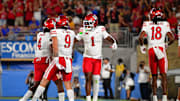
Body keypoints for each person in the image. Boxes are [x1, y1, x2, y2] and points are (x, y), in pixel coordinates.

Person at [19, 18, 65, 101]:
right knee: (58, 82)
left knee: (36, 84)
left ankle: (23, 99)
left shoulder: (39, 34)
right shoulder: (51, 35)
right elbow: (53, 48)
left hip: (37, 60)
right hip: (45, 61)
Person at [32, 15, 75, 101]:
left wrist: (55, 57)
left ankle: (34, 99)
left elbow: (55, 45)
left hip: (58, 58)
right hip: (68, 59)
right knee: (67, 84)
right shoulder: (72, 33)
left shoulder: (54, 31)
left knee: (44, 80)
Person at [76, 14, 117, 101]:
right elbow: (76, 38)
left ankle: (95, 98)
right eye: (86, 23)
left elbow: (108, 37)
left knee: (96, 79)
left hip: (98, 58)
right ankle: (88, 99)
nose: (87, 25)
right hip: (88, 57)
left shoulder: (101, 29)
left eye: (89, 23)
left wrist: (114, 42)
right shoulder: (82, 30)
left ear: (95, 23)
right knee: (88, 78)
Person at [139, 8, 175, 101]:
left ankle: (154, 97)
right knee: (163, 75)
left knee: (154, 76)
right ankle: (164, 97)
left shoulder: (146, 24)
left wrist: (142, 46)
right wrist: (166, 44)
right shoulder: (165, 24)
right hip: (160, 49)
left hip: (151, 49)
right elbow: (172, 38)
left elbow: (141, 37)